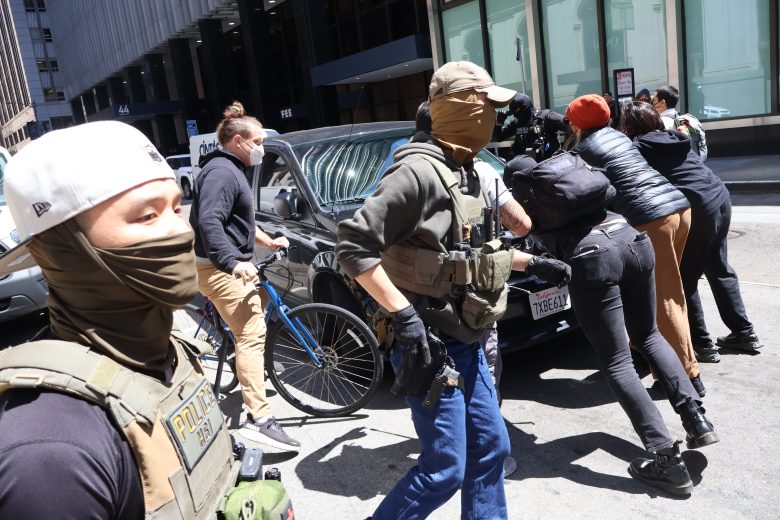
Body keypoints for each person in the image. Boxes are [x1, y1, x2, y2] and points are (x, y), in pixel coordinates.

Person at [337, 61, 570, 519]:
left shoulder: (467, 171)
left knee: (491, 447)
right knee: (444, 468)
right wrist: (403, 315)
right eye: (486, 106)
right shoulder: (416, 173)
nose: (493, 118)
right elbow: (352, 246)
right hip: (429, 344)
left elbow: (465, 257)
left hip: (466, 336)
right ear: (461, 109)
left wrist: (532, 263)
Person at [0, 121, 239, 517]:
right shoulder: (50, 454)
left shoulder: (170, 355)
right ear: (64, 249)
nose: (181, 231)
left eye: (176, 208)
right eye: (147, 216)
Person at [505, 151, 719, 496]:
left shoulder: (524, 196)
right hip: (631, 236)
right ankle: (697, 419)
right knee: (649, 335)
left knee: (617, 361)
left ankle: (666, 460)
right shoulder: (563, 182)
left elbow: (520, 232)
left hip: (593, 256)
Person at [567, 94, 706, 397]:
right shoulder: (618, 137)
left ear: (576, 124)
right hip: (678, 209)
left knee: (663, 300)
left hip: (651, 219)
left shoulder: (583, 151)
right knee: (667, 294)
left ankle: (686, 377)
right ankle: (649, 353)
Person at [189, 101, 299, 450]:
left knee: (261, 301)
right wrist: (233, 263)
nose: (261, 148)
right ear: (238, 141)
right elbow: (210, 221)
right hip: (216, 268)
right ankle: (259, 420)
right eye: (258, 141)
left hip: (225, 262)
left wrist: (268, 241)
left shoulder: (231, 168)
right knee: (251, 333)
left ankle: (241, 357)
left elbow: (241, 221)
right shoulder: (221, 173)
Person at [621, 101, 763, 361]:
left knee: (685, 278)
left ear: (628, 126)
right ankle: (743, 332)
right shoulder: (674, 136)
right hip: (719, 198)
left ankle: (701, 344)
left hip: (698, 207)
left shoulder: (638, 148)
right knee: (719, 268)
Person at [652, 86, 708, 160]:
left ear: (662, 102)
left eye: (653, 100)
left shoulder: (661, 123)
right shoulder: (680, 118)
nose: (651, 103)